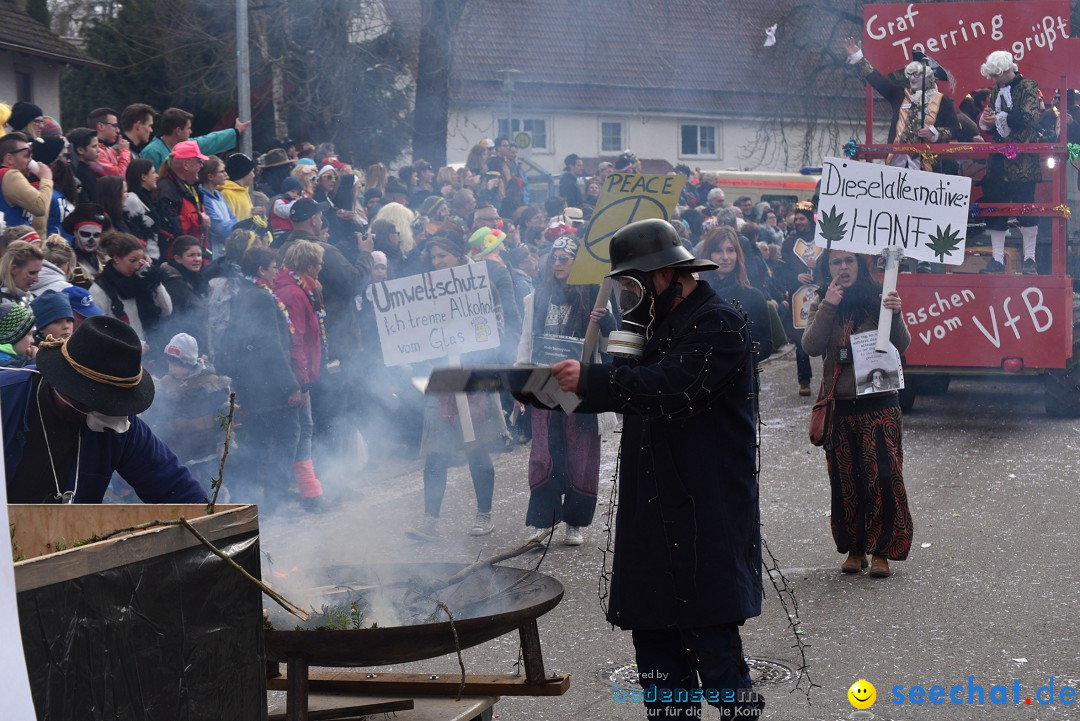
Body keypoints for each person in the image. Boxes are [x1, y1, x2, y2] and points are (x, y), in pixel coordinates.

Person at [546, 218, 763, 719]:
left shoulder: (719, 322)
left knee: (718, 656)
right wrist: (570, 382)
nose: (626, 296)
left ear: (666, 275)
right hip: (651, 510)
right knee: (660, 665)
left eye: (630, 285)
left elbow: (672, 386)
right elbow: (625, 384)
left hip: (704, 513)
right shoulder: (650, 326)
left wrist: (597, 379)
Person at [1, 315, 208, 503]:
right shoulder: (7, 396)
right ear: (68, 387)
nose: (113, 413)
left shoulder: (119, 426)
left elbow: (177, 490)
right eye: (105, 402)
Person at [801, 248, 913, 578]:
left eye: (849, 261)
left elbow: (902, 345)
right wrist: (828, 306)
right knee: (846, 480)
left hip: (880, 404)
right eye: (836, 262)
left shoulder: (881, 294)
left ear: (860, 265)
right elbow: (810, 346)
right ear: (828, 266)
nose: (843, 267)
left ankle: (882, 552)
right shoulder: (822, 299)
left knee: (883, 478)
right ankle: (855, 548)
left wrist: (896, 312)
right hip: (842, 406)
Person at [515, 235, 613, 545]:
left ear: (578, 262)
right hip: (546, 388)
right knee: (545, 453)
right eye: (554, 257)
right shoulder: (536, 298)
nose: (557, 263)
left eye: (565, 258)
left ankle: (574, 522)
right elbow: (526, 342)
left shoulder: (597, 298)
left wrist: (608, 321)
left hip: (581, 389)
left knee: (580, 456)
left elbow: (611, 348)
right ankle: (543, 522)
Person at [409, 234, 506, 541]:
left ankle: (484, 516)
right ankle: (430, 521)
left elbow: (496, 329)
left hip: (473, 379)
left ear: (457, 255)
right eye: (433, 258)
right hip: (441, 381)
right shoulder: (425, 291)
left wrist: (468, 345)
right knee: (436, 454)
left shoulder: (480, 285)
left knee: (476, 448)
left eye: (443, 256)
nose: (437, 263)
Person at [218, 247, 302, 511]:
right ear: (261, 270)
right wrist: (291, 384)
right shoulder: (262, 298)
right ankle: (277, 501)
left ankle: (249, 500)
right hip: (271, 385)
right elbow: (270, 344)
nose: (277, 270)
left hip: (253, 383)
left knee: (260, 442)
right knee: (288, 436)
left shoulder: (244, 294)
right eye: (273, 266)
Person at [273, 240, 328, 512]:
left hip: (298, 374)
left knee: (299, 430)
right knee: (302, 430)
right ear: (308, 265)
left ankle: (306, 490)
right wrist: (302, 382)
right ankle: (309, 494)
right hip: (297, 376)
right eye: (319, 264)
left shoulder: (297, 289)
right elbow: (297, 340)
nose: (321, 269)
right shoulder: (294, 294)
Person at [978, 51, 1042, 275]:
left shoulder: (1028, 86)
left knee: (1026, 206)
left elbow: (1030, 118)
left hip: (1022, 157)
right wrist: (989, 120)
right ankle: (996, 260)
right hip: (999, 157)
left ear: (1006, 69)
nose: (994, 81)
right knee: (995, 207)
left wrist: (1000, 118)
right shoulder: (996, 89)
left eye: (996, 75)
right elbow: (997, 123)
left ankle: (1030, 259)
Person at [148, 333, 232, 492]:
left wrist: (224, 441)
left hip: (206, 448)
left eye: (175, 363)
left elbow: (224, 413)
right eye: (169, 362)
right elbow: (158, 414)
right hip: (177, 447)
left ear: (187, 362)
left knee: (210, 490)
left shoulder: (211, 383)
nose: (170, 367)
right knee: (180, 490)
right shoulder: (166, 384)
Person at [700, 225, 773, 359]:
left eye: (730, 250)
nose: (725, 257)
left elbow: (765, 344)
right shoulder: (697, 296)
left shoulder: (753, 296)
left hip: (741, 376)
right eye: (718, 251)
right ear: (708, 254)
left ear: (737, 254)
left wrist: (736, 359)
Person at [90, 231, 172, 349]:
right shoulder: (100, 289)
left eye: (141, 259)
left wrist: (152, 277)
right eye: (132, 260)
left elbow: (167, 309)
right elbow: (95, 330)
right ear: (117, 258)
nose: (137, 265)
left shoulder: (142, 280)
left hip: (151, 350)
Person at [160, 235, 209, 349]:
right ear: (178, 258)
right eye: (191, 255)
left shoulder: (196, 280)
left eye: (199, 255)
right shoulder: (174, 284)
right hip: (183, 349)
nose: (197, 259)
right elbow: (176, 322)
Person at [1, 132, 54, 236]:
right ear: (10, 158)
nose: (30, 161)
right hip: (11, 247)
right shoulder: (11, 175)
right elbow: (40, 207)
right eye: (26, 155)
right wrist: (46, 179)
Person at [198, 155, 238, 255]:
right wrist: (236, 230)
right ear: (210, 176)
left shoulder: (219, 195)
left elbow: (233, 218)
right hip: (214, 249)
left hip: (225, 248)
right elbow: (218, 227)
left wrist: (236, 227)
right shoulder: (203, 197)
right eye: (221, 171)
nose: (226, 174)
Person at [0, 299, 36, 367]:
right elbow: (24, 376)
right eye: (29, 334)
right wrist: (35, 362)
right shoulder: (6, 366)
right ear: (13, 336)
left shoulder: (14, 361)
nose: (33, 341)